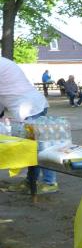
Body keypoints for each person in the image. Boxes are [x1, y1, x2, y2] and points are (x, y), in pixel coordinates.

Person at [0, 56, 57, 193]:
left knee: (40, 148)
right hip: (32, 105)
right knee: (31, 148)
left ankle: (50, 183)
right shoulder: (4, 62)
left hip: (30, 109)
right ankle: (31, 181)